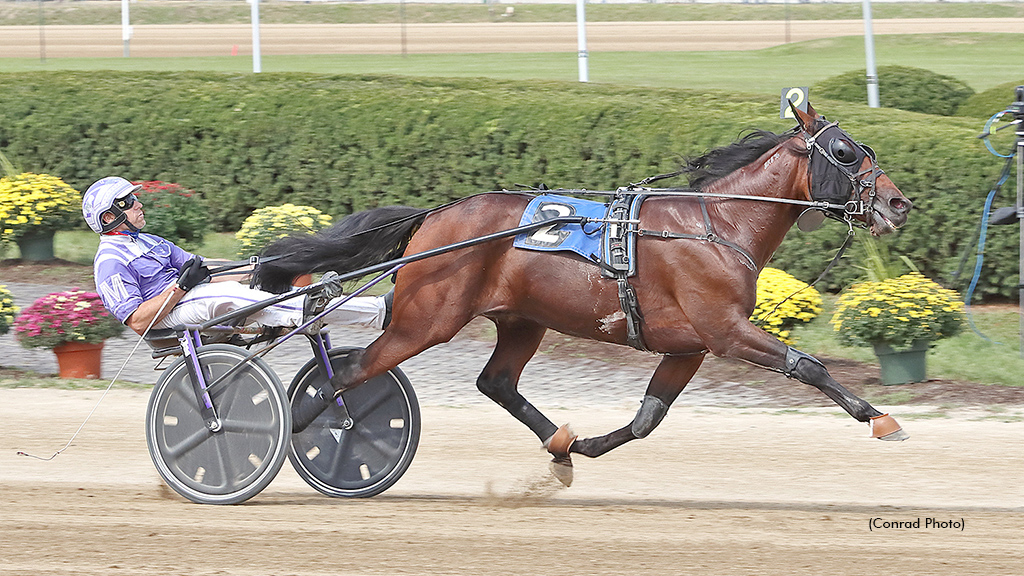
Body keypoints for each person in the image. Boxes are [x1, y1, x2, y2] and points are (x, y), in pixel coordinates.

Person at [82, 176, 388, 337]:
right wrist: (179, 289)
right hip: (169, 316)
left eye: (136, 198)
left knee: (261, 290)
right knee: (224, 296)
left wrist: (253, 270)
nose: (139, 204)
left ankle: (378, 311)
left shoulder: (150, 241)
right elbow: (136, 320)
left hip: (190, 297)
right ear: (109, 217)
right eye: (129, 202)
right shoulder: (110, 263)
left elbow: (201, 270)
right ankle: (300, 314)